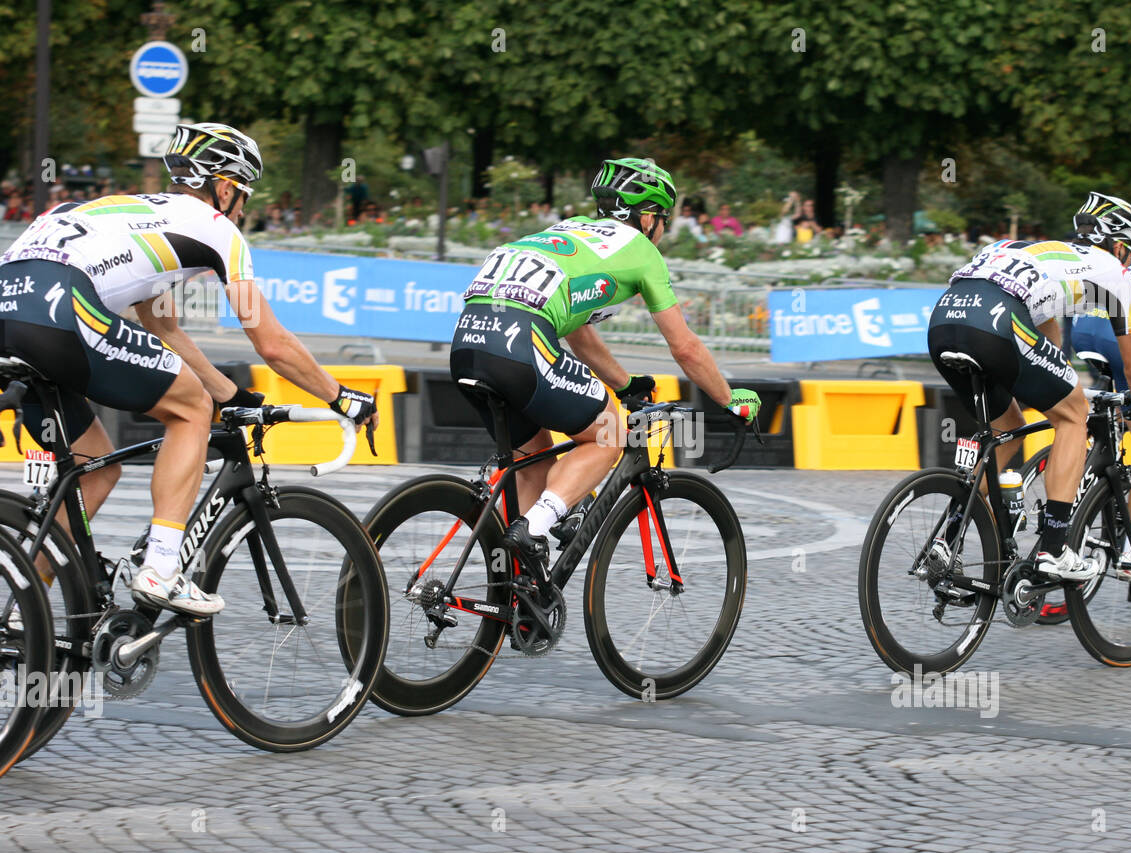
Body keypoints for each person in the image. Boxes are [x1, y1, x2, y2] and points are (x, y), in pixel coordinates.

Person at [0, 122, 378, 615]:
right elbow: (272, 344)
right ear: (224, 188)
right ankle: (161, 567)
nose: (243, 208)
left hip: (11, 312)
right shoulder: (219, 230)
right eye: (243, 195)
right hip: (60, 310)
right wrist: (341, 397)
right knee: (189, 409)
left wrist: (227, 392)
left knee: (96, 469)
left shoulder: (134, 213)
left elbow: (161, 326)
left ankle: (21, 615)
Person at [450, 157, 760, 581]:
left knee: (535, 459)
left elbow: (577, 333)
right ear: (648, 217)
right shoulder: (642, 251)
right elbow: (685, 348)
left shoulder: (571, 229)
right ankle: (534, 527)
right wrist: (730, 399)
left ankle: (515, 594)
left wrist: (626, 382)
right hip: (519, 342)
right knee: (611, 433)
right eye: (664, 220)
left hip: (467, 343)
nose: (663, 230)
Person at [930, 191, 1131, 586]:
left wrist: (1059, 381)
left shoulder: (1042, 251)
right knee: (1074, 416)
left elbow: (1047, 333)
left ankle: (946, 539)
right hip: (998, 321)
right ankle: (1054, 549)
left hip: (944, 319)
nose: (1130, 261)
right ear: (1120, 246)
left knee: (1006, 429)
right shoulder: (1115, 272)